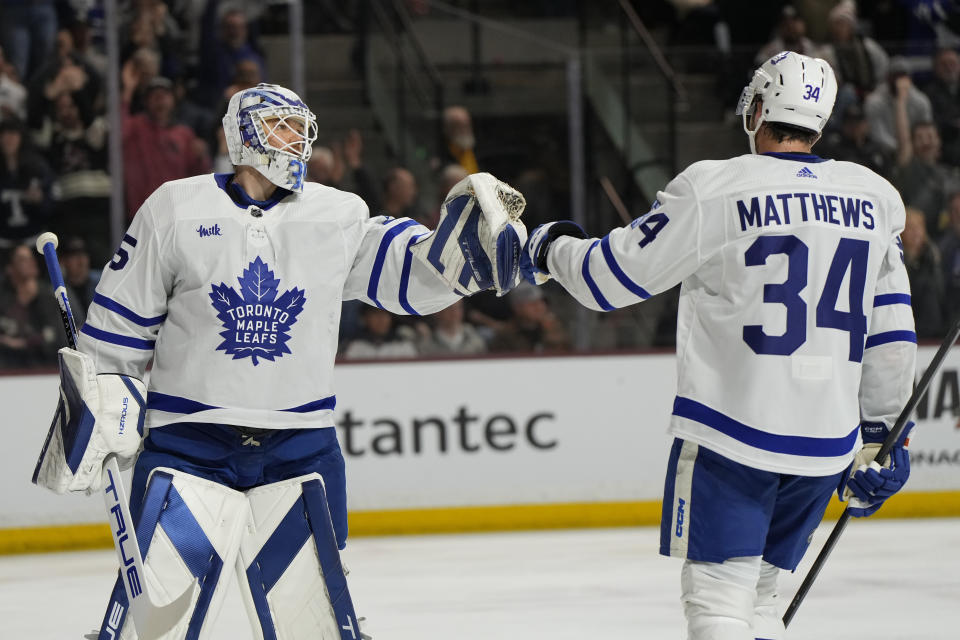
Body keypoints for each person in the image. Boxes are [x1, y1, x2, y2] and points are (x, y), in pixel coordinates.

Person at [31, 82, 525, 639]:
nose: (295, 140)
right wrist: (102, 400)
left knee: (313, 625)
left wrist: (457, 257)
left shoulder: (337, 213)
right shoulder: (175, 207)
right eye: (280, 126)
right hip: (191, 445)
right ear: (242, 135)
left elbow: (405, 271)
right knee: (156, 625)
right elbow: (119, 326)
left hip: (300, 449)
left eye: (300, 127)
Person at [521, 52, 917, 639]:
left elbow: (612, 279)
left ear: (759, 108)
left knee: (718, 601)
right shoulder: (874, 196)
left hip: (734, 432)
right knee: (758, 599)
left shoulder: (716, 187)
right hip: (824, 442)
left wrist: (548, 249)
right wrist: (886, 435)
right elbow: (891, 327)